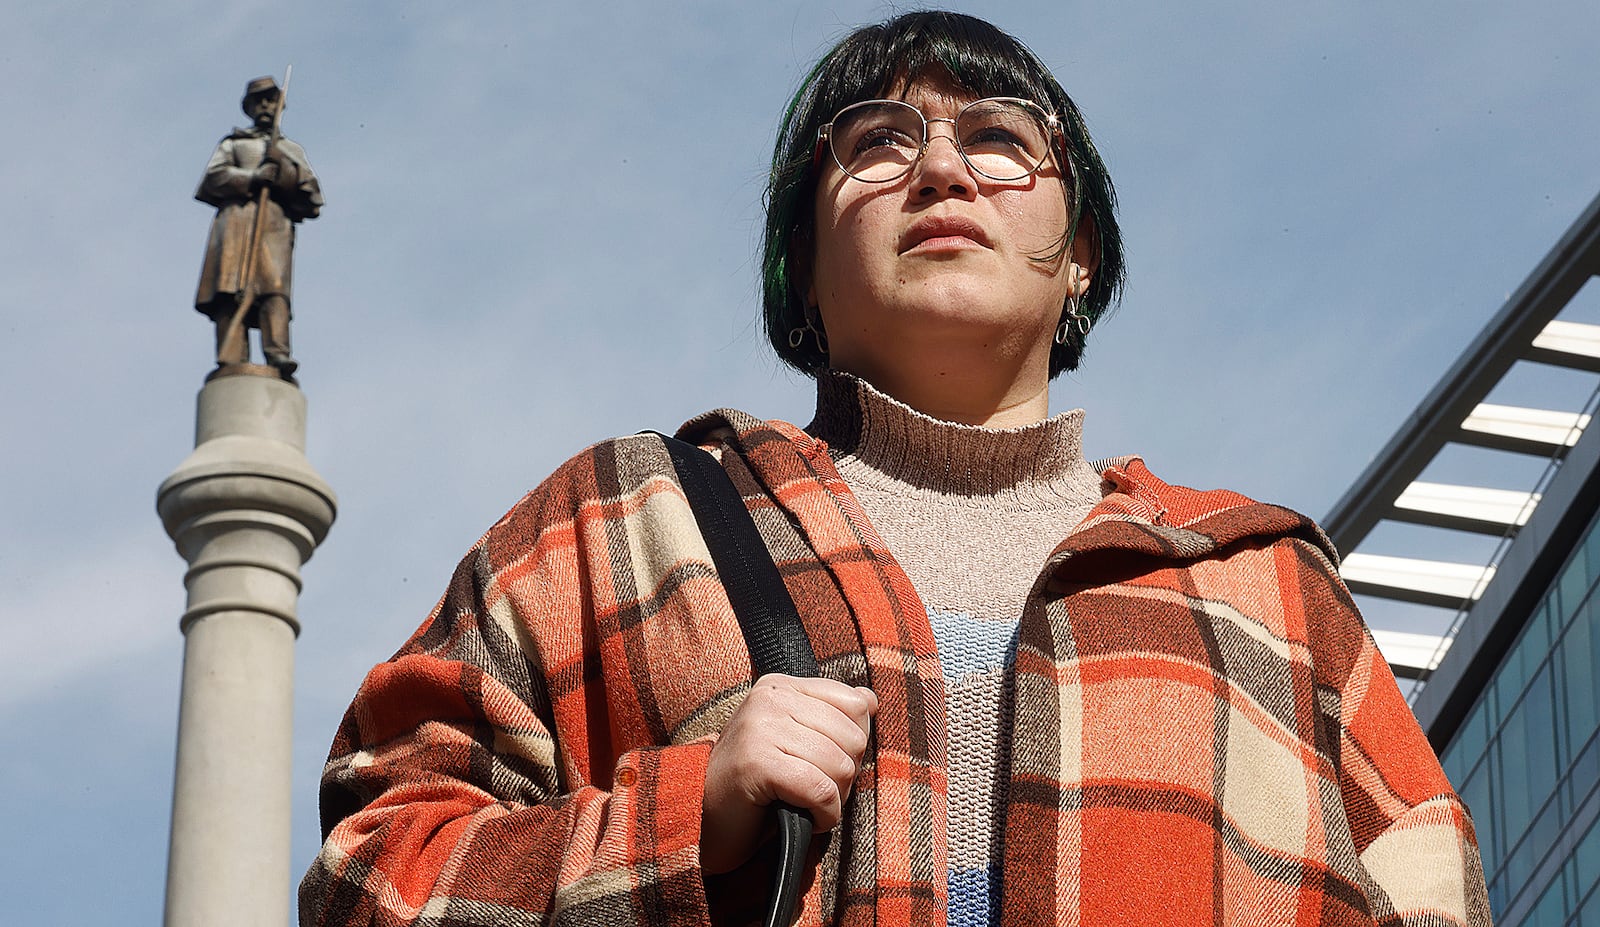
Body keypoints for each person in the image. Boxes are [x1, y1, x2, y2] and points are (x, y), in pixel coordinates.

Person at [300, 12, 1489, 926]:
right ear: (803, 269)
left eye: (1000, 142)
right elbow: (368, 881)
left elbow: (1431, 893)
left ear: (1078, 256)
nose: (940, 171)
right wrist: (683, 812)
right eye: (874, 145)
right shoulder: (622, 522)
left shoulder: (1264, 582)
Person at [194, 76, 323, 378]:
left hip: (273, 225)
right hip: (235, 223)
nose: (265, 106)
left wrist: (282, 173)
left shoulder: (291, 150)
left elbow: (312, 196)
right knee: (229, 289)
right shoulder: (233, 144)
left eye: (271, 100)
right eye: (259, 100)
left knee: (273, 289)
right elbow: (213, 179)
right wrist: (252, 178)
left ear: (280, 105)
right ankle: (231, 358)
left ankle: (278, 354)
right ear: (249, 107)